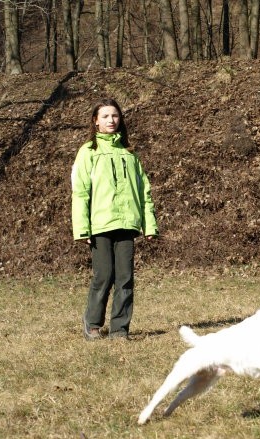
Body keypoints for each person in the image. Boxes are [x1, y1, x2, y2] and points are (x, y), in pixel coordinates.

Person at [71, 98, 158, 341]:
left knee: (125, 278)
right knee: (104, 275)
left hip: (127, 224)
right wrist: (82, 229)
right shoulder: (88, 152)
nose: (111, 120)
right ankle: (93, 324)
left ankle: (120, 329)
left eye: (115, 116)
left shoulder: (130, 154)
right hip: (99, 225)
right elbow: (80, 192)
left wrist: (149, 224)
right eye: (106, 116)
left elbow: (144, 191)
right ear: (95, 121)